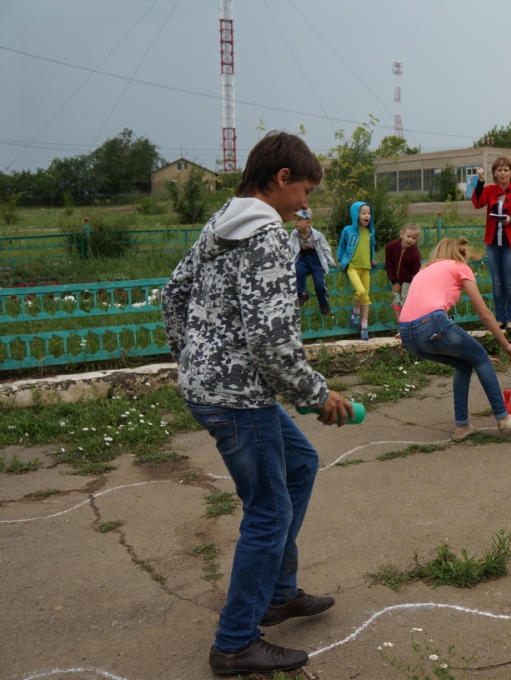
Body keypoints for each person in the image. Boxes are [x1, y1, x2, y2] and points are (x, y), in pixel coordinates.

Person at [162, 131, 355, 676]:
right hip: (239, 397)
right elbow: (271, 341)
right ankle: (236, 641)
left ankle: (278, 593)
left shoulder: (222, 219)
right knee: (268, 512)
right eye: (304, 192)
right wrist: (317, 395)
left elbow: (173, 293)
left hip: (218, 387)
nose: (306, 206)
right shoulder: (270, 235)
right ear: (282, 179)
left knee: (300, 464)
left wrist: (191, 358)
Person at [398, 237, 511, 441]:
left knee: (465, 365)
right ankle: (503, 418)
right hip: (432, 324)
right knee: (481, 357)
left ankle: (462, 426)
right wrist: (505, 344)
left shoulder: (424, 270)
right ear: (461, 254)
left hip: (407, 336)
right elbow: (484, 313)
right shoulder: (458, 266)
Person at [471, 156, 511, 332]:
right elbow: (477, 202)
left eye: (506, 170)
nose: (502, 173)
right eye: (499, 170)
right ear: (494, 173)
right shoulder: (491, 190)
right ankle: (500, 319)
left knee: (509, 282)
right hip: (494, 243)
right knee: (497, 282)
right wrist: (480, 182)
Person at [337, 201, 377, 341]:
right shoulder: (348, 230)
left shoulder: (370, 231)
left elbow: (371, 247)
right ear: (356, 215)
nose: (367, 216)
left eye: (368, 213)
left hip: (366, 268)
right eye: (363, 213)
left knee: (366, 298)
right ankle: (355, 311)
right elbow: (341, 246)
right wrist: (341, 260)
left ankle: (364, 326)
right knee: (360, 291)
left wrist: (373, 258)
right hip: (353, 268)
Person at [288, 208, 337, 315]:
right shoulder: (294, 234)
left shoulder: (317, 235)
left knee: (319, 282)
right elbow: (290, 248)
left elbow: (326, 248)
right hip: (304, 258)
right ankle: (302, 293)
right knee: (297, 269)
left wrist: (330, 260)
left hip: (316, 259)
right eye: (294, 219)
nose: (295, 222)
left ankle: (324, 304)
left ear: (307, 222)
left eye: (299, 220)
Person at [384, 223, 422, 330]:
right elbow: (389, 265)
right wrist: (394, 281)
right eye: (408, 236)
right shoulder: (391, 247)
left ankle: (408, 326)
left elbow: (416, 271)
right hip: (395, 281)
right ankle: (400, 326)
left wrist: (416, 285)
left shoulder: (415, 253)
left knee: (405, 303)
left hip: (407, 281)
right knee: (396, 302)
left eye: (413, 238)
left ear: (416, 240)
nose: (410, 240)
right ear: (402, 234)